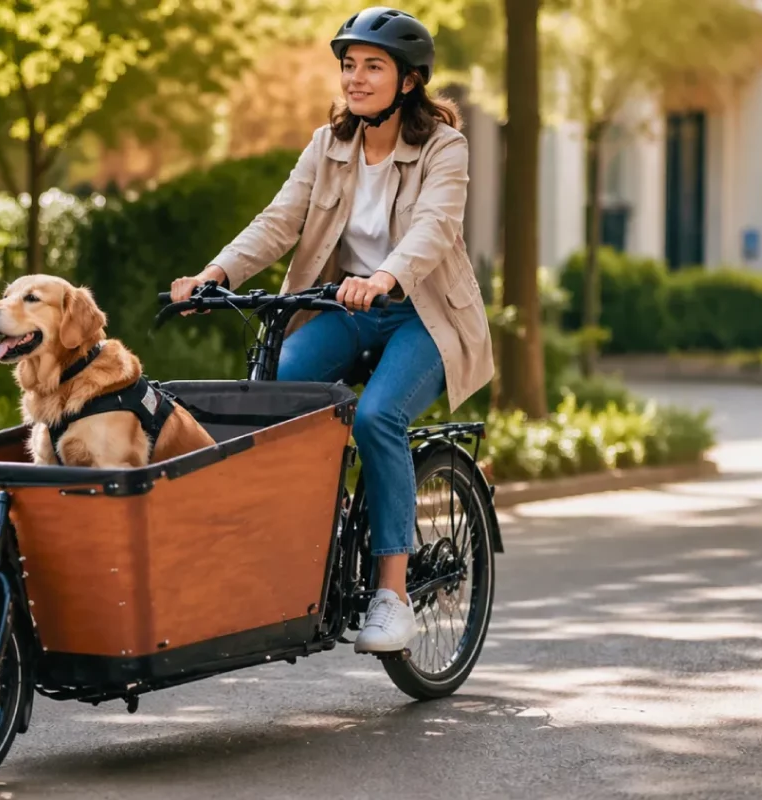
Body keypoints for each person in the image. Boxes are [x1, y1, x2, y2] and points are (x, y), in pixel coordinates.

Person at [169, 7, 494, 653]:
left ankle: (392, 596)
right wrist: (216, 273)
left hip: (423, 314)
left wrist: (387, 277)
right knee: (270, 395)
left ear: (408, 81)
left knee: (377, 418)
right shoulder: (329, 145)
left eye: (373, 66)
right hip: (346, 306)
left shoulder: (443, 147)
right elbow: (279, 219)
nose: (357, 77)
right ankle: (308, 540)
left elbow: (434, 225)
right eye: (349, 65)